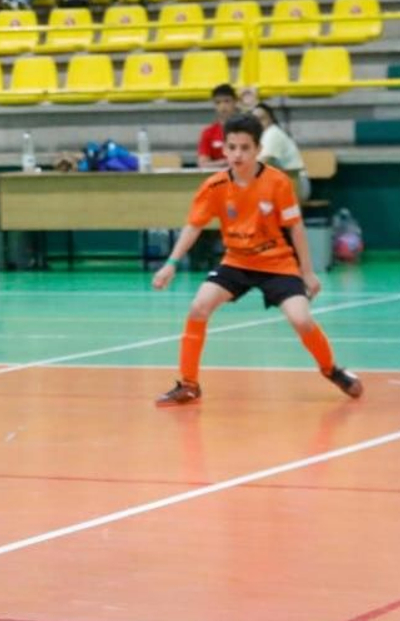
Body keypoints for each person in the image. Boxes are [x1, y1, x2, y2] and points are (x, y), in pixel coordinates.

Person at [151, 115, 362, 407]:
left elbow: (296, 227)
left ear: (257, 149)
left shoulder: (277, 182)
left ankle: (331, 370)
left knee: (301, 319)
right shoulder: (214, 186)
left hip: (277, 264)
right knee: (199, 307)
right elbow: (194, 226)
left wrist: (308, 272)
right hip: (236, 261)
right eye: (232, 147)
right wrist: (171, 264)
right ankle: (188, 384)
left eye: (245, 148)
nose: (237, 154)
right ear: (224, 149)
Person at [253, 101, 309, 201]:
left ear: (271, 119)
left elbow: (261, 162)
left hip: (297, 183)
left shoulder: (272, 133)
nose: (258, 123)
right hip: (284, 182)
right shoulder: (261, 136)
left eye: (262, 119)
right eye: (255, 120)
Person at [198, 83, 237, 168]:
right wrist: (225, 163)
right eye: (218, 102)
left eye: (227, 101)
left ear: (235, 102)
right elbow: (203, 164)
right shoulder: (208, 132)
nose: (223, 106)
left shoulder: (246, 129)